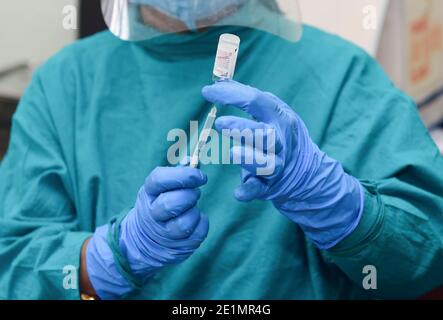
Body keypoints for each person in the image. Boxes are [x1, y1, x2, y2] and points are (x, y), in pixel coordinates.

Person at [1, 0, 443, 300]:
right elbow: (12, 270)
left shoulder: (341, 73)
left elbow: (426, 257)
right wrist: (113, 256)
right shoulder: (63, 85)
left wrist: (335, 204)